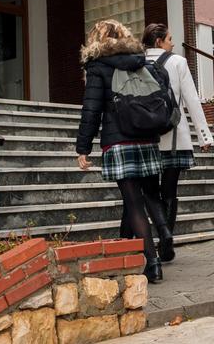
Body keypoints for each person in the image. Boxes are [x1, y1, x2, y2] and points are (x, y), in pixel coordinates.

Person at [76, 19, 170, 283]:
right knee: (150, 195)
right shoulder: (140, 61)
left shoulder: (97, 66)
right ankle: (158, 247)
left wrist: (83, 147)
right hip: (146, 137)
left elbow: (91, 109)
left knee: (134, 204)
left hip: (119, 141)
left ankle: (152, 263)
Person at [142, 23, 214, 262]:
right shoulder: (178, 62)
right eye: (169, 38)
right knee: (169, 190)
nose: (173, 43)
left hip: (146, 138)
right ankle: (166, 240)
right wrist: (204, 135)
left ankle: (158, 235)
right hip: (174, 136)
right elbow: (192, 100)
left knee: (150, 192)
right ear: (158, 41)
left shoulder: (136, 62)